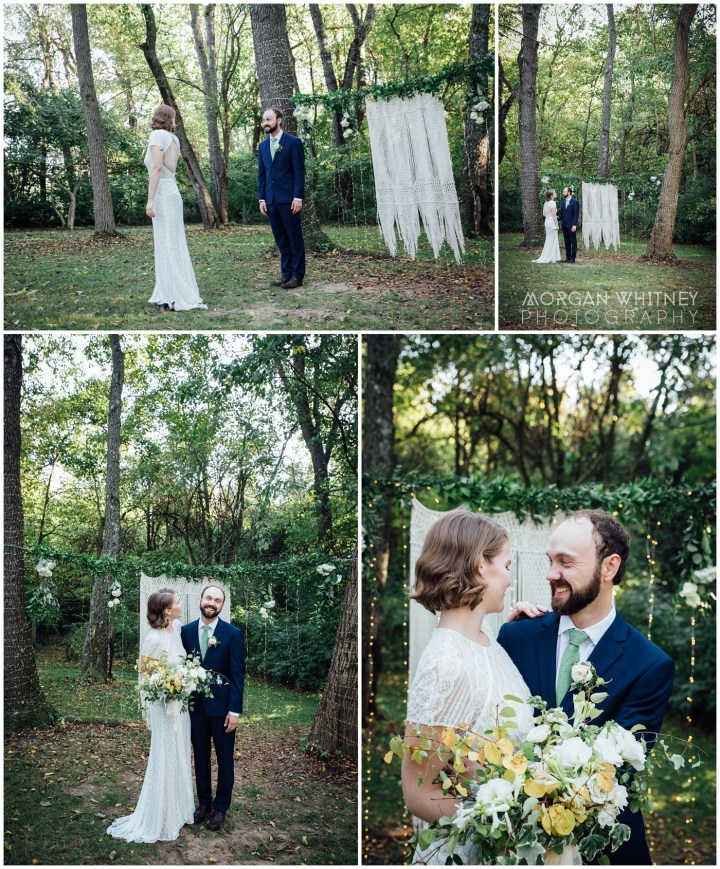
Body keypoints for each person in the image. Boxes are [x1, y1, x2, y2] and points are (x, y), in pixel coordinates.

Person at [498, 510, 675, 866]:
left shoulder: (650, 665)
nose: (550, 574)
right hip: (515, 846)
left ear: (609, 567)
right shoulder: (515, 635)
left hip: (603, 850)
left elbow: (616, 773)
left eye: (565, 562)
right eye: (550, 561)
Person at [402, 511, 536, 865]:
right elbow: (419, 794)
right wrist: (514, 825)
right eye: (506, 565)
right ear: (480, 566)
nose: (509, 579)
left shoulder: (486, 641)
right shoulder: (446, 664)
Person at [107, 588, 194, 843]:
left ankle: (177, 810)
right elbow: (145, 678)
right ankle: (159, 815)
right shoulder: (154, 639)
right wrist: (167, 689)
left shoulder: (176, 628)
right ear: (167, 610)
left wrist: (183, 684)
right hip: (164, 708)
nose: (180, 604)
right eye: (177, 602)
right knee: (165, 756)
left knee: (180, 754)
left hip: (180, 707)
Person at [181, 585, 245, 832]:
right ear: (201, 600)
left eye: (217, 600)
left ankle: (220, 809)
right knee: (200, 757)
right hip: (195, 708)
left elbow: (238, 675)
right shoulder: (185, 632)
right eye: (208, 598)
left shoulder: (232, 634)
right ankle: (204, 804)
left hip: (223, 711)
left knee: (225, 759)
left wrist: (235, 711)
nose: (212, 603)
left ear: (221, 605)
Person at [145, 104, 207, 311]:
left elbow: (156, 167)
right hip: (173, 193)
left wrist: (150, 200)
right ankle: (170, 292)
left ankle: (170, 296)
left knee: (166, 244)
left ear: (156, 118)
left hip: (162, 194)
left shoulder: (156, 137)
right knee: (174, 243)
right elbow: (169, 167)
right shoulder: (175, 140)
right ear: (170, 120)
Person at [257, 107, 306, 290]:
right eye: (264, 120)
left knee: (294, 239)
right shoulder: (262, 146)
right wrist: (262, 199)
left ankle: (297, 275)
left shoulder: (293, 142)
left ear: (279, 120)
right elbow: (262, 175)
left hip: (289, 200)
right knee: (281, 240)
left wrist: (298, 197)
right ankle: (286, 275)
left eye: (269, 119)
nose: (265, 123)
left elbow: (299, 173)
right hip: (271, 201)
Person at [533, 189, 562, 263]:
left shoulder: (546, 202)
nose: (556, 194)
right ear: (551, 195)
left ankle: (551, 256)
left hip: (547, 221)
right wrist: (557, 225)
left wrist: (551, 216)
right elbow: (554, 215)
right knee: (552, 239)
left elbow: (544, 214)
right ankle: (551, 257)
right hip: (552, 222)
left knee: (549, 239)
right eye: (555, 193)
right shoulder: (552, 202)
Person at [559, 186, 579, 263]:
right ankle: (567, 257)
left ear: (569, 192)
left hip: (571, 226)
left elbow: (576, 215)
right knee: (566, 241)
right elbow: (561, 215)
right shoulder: (563, 202)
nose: (563, 193)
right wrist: (553, 218)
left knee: (573, 242)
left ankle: (573, 258)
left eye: (564, 191)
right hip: (564, 225)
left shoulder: (575, 202)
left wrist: (574, 225)